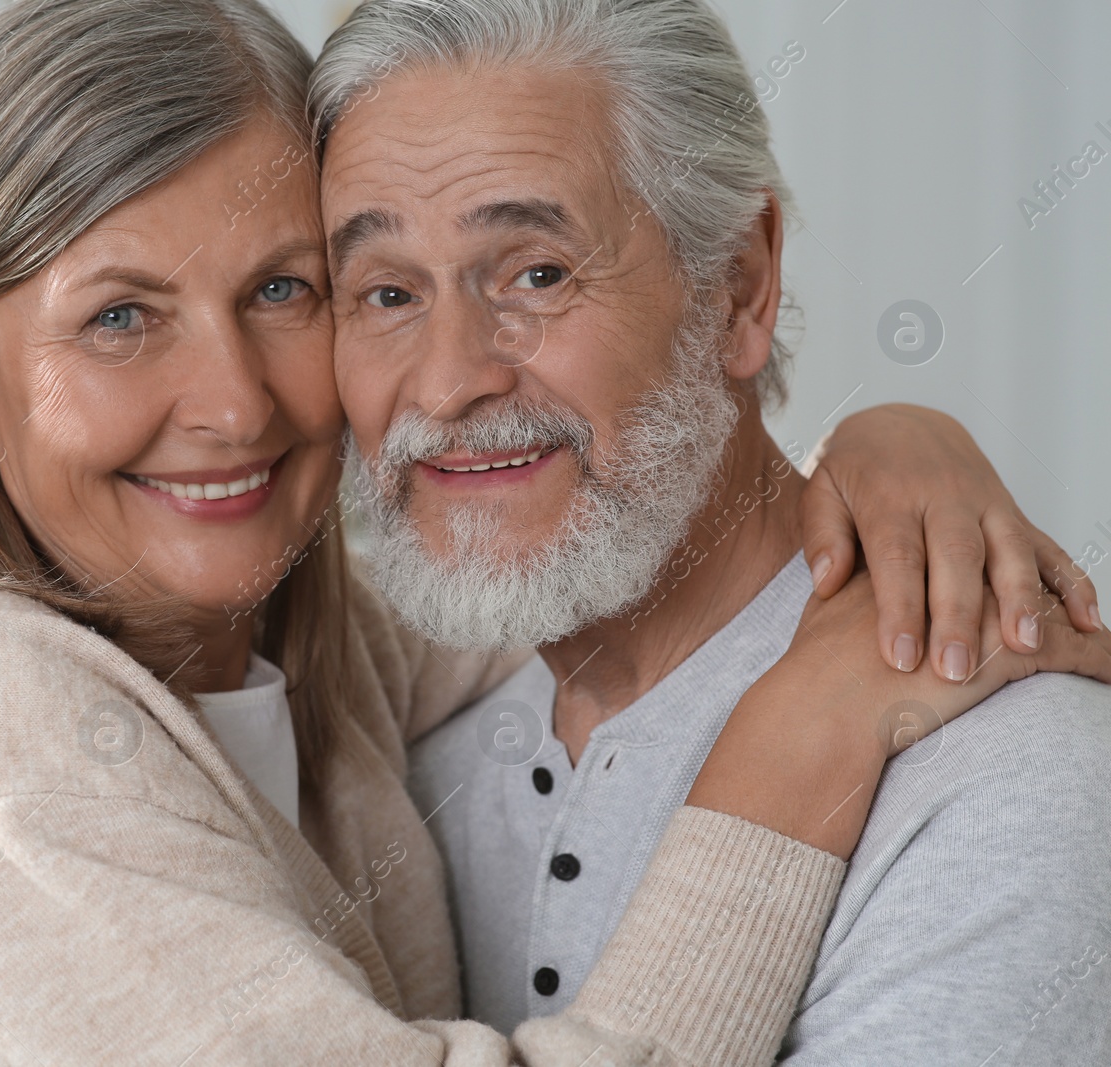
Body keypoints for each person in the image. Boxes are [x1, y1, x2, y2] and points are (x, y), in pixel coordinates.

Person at [0, 1, 1108, 1064]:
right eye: (120, 317)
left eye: (289, 292)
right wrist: (801, 731)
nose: (232, 403)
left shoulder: (328, 637)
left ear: (742, 287)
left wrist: (887, 445)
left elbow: (596, 556)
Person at [311, 1, 1111, 1063]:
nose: (450, 378)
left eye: (536, 272)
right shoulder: (385, 769)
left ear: (738, 286)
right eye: (385, 292)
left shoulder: (1013, 784)